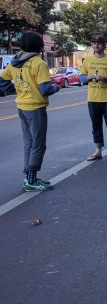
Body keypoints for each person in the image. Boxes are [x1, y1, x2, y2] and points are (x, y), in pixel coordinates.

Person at [0, 31, 61, 191]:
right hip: (35, 108)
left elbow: (2, 79)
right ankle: (31, 182)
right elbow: (45, 89)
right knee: (38, 145)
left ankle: (29, 178)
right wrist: (56, 87)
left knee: (29, 143)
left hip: (21, 107)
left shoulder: (14, 62)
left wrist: (14, 89)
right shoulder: (38, 63)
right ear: (39, 46)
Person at [80, 35, 107, 161]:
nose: (95, 46)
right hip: (93, 99)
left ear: (104, 45)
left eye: (98, 43)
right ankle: (98, 150)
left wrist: (106, 79)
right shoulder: (87, 60)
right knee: (96, 126)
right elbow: (81, 78)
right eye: (93, 43)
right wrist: (88, 77)